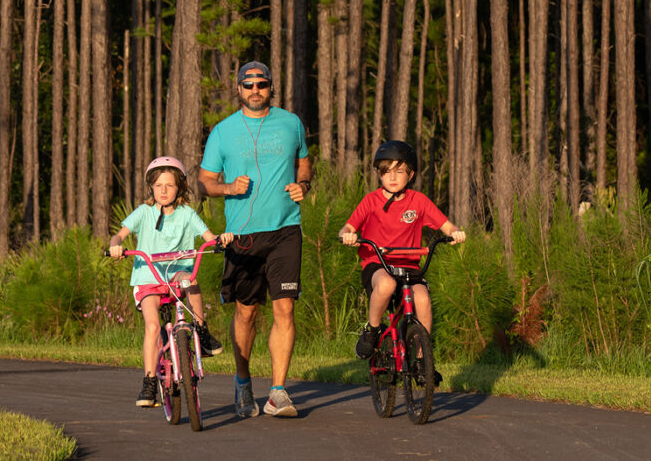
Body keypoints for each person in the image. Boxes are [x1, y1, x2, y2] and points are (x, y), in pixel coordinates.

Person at [198, 61, 311, 418]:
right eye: (248, 85)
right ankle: (243, 381)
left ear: (271, 87)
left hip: (285, 230)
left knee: (285, 307)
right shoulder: (223, 131)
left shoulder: (291, 123)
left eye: (261, 84)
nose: (255, 90)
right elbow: (204, 181)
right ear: (238, 89)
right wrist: (228, 187)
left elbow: (304, 163)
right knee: (246, 313)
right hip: (243, 236)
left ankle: (278, 392)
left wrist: (302, 184)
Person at [109, 156, 233, 408]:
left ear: (180, 188)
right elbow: (119, 235)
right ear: (151, 188)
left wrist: (221, 239)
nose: (163, 191)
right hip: (148, 277)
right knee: (153, 326)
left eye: (169, 185)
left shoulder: (186, 214)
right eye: (158, 185)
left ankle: (200, 329)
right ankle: (149, 381)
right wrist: (116, 247)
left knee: (190, 281)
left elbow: (209, 236)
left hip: (177, 274)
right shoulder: (144, 213)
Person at [338, 140, 465, 384]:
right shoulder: (371, 201)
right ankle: (373, 331)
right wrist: (348, 235)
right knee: (385, 286)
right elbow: (348, 226)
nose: (393, 177)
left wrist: (456, 232)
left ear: (411, 174)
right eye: (386, 171)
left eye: (399, 171)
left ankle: (422, 360)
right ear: (378, 174)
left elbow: (446, 225)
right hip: (378, 263)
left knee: (423, 299)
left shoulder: (418, 201)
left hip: (409, 266)